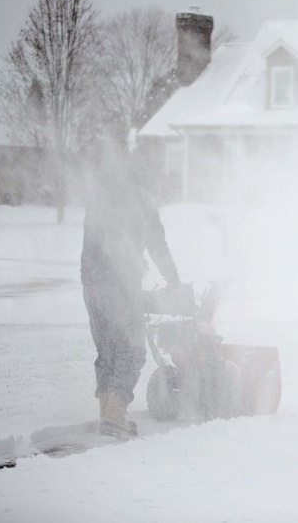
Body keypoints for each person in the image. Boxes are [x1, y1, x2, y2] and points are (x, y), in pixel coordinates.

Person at [81, 156, 181, 438]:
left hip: (90, 283)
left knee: (108, 350)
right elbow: (157, 247)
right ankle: (115, 414)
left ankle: (108, 411)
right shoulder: (142, 200)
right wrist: (174, 282)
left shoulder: (98, 200)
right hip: (121, 283)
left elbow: (95, 247)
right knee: (132, 349)